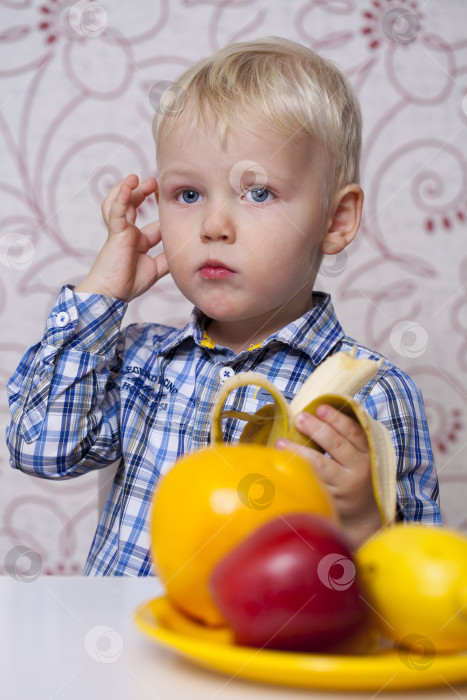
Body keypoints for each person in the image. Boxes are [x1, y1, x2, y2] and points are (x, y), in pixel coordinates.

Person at [6, 37, 441, 576]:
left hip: (266, 658)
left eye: (257, 193)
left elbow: (418, 589)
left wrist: (360, 520)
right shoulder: (141, 360)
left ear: (335, 220)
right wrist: (101, 296)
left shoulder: (374, 395)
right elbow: (40, 449)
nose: (213, 226)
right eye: (188, 195)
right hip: (126, 650)